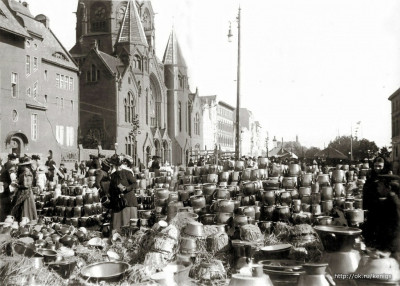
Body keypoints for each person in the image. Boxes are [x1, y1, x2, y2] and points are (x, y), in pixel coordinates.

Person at [109, 155, 138, 231]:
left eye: (118, 166)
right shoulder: (113, 175)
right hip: (118, 202)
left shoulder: (127, 173)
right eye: (116, 166)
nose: (118, 168)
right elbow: (111, 188)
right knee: (118, 224)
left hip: (128, 200)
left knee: (128, 224)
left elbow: (135, 183)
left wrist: (126, 188)